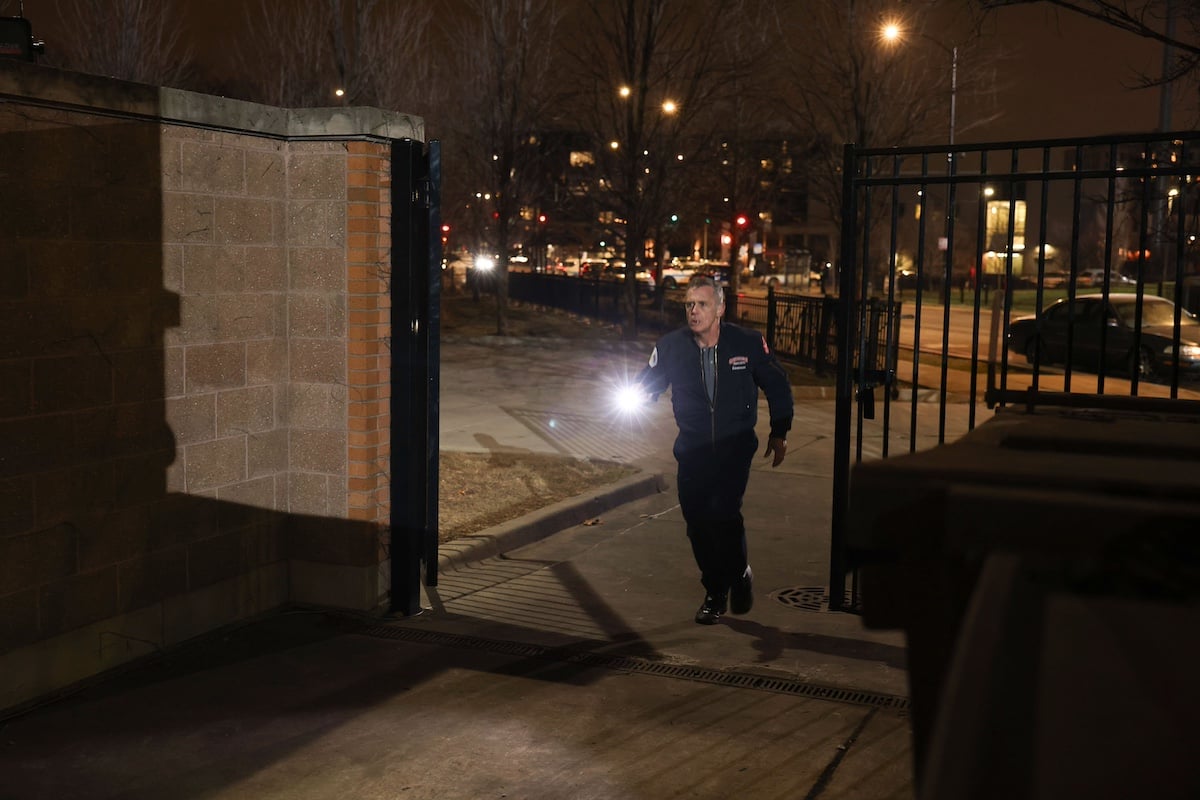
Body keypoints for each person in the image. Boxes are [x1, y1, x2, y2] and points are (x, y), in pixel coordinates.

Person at [636, 274, 793, 624]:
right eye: (689, 304)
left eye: (702, 304)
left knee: (723, 513)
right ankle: (715, 586)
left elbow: (778, 385)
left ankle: (735, 576)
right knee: (696, 521)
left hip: (734, 446)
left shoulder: (748, 343)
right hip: (691, 449)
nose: (694, 311)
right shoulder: (672, 346)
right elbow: (648, 382)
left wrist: (780, 430)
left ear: (720, 308)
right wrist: (641, 396)